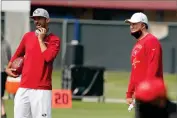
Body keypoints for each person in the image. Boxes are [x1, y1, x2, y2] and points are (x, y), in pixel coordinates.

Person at [5, 8, 60, 118]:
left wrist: (40, 39)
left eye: (39, 18)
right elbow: (17, 54)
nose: (36, 21)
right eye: (34, 19)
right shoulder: (27, 36)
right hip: (24, 88)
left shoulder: (54, 40)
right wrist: (8, 67)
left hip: (42, 90)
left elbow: (48, 57)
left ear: (47, 20)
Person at [124, 12, 163, 105]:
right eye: (130, 24)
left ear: (142, 25)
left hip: (151, 94)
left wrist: (147, 89)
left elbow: (153, 66)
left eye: (134, 24)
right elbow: (134, 70)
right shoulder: (138, 44)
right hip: (140, 93)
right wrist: (129, 93)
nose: (131, 26)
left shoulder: (151, 41)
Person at [1, 32, 11, 118]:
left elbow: (10, 58)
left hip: (2, 72)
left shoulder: (6, 44)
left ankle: (3, 113)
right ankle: (3, 113)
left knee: (0, 94)